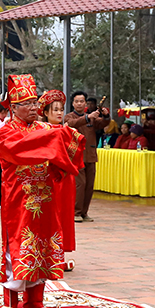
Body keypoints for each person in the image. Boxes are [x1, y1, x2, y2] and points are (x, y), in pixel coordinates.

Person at [0, 75, 83, 308]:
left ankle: (35, 302)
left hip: (46, 199)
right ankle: (10, 302)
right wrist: (56, 139)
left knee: (44, 245)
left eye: (36, 103)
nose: (35, 108)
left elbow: (67, 143)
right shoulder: (5, 133)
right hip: (19, 201)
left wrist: (63, 140)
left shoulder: (46, 130)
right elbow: (25, 147)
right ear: (13, 107)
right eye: (28, 104)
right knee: (18, 247)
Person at [38, 89, 85, 272]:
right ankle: (45, 254)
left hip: (65, 180)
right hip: (47, 179)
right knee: (48, 216)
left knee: (63, 216)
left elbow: (76, 156)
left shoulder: (69, 131)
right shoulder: (41, 131)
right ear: (46, 112)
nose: (59, 113)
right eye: (54, 109)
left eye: (60, 109)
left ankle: (59, 254)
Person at [64, 90, 109, 223]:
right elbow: (73, 124)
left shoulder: (92, 117)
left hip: (90, 154)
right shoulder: (68, 117)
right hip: (76, 156)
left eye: (81, 101)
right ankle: (76, 211)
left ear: (85, 103)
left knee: (89, 185)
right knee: (80, 184)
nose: (79, 104)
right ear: (72, 103)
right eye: (76, 101)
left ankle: (84, 212)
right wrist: (87, 118)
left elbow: (102, 123)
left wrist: (106, 116)